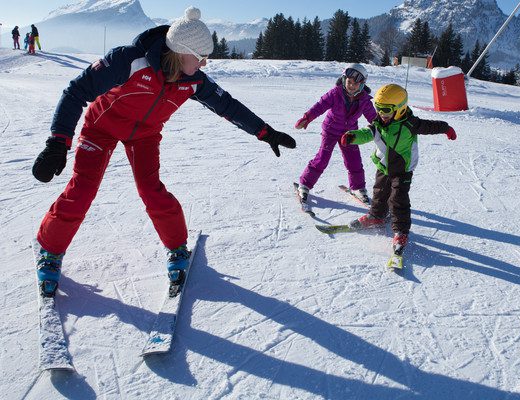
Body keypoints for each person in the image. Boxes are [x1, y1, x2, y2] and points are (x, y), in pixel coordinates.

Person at [31, 7, 296, 297]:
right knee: (82, 188)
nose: (205, 63)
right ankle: (50, 251)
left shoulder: (193, 81)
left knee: (151, 190)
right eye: (200, 57)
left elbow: (227, 106)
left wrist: (264, 132)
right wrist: (58, 141)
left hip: (143, 136)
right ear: (181, 52)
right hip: (101, 128)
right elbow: (76, 91)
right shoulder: (129, 61)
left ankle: (177, 248)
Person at [340, 84, 457, 255]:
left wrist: (446, 128)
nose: (381, 113)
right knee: (379, 193)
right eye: (378, 109)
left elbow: (431, 126)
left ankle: (401, 231)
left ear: (400, 109)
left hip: (402, 170)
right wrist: (353, 136)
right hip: (384, 166)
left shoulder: (411, 124)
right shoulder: (379, 123)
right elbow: (367, 133)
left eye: (386, 110)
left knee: (398, 200)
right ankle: (377, 216)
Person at [295, 63, 377, 204]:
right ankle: (305, 184)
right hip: (331, 131)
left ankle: (358, 188)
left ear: (362, 85)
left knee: (354, 160)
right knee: (322, 159)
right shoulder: (335, 93)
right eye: (349, 82)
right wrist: (307, 117)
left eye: (355, 84)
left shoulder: (364, 100)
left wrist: (383, 127)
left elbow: (373, 117)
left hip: (350, 134)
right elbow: (320, 106)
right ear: (344, 79)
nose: (351, 86)